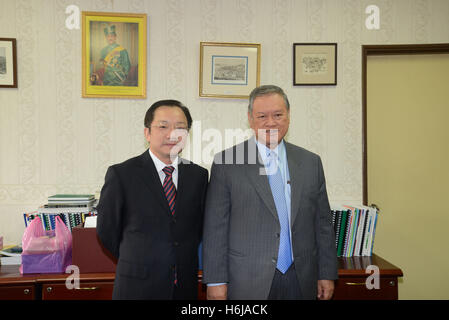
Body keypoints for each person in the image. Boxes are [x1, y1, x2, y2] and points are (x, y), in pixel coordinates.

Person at [202, 85, 338, 300]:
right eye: (262, 116)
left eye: (277, 115)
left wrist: (326, 273)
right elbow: (215, 228)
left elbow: (322, 224)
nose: (271, 122)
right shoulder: (227, 162)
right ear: (250, 119)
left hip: (302, 278)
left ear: (289, 115)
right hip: (247, 280)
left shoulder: (310, 162)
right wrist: (216, 281)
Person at [97, 100, 208, 299]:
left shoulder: (198, 176)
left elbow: (197, 229)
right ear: (147, 133)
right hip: (137, 286)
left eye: (180, 128)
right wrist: (139, 259)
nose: (172, 134)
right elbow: (107, 231)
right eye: (163, 126)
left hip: (184, 286)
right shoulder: (122, 174)